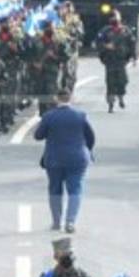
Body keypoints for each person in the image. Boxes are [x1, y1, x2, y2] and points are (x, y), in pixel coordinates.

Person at [34, 88, 95, 234]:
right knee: (75, 189)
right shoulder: (81, 116)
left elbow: (38, 136)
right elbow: (91, 137)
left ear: (56, 99)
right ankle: (70, 222)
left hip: (54, 158)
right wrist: (88, 151)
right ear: (71, 98)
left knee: (55, 189)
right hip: (77, 158)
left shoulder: (49, 116)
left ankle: (56, 222)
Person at [94, 11, 138, 112]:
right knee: (110, 83)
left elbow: (132, 44)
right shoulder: (105, 31)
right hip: (110, 60)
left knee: (123, 81)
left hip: (122, 60)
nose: (114, 19)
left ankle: (121, 96)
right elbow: (98, 42)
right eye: (112, 17)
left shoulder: (126, 30)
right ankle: (110, 103)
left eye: (116, 17)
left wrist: (134, 57)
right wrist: (106, 46)